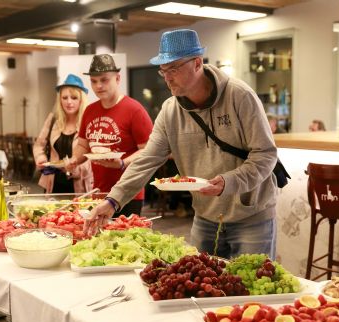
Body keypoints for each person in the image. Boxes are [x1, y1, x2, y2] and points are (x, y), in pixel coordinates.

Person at [85, 29, 278, 260]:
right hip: (205, 216)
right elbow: (147, 159)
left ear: (197, 63)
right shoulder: (170, 110)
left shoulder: (240, 96)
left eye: (173, 68)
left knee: (251, 288)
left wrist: (229, 181)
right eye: (163, 70)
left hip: (250, 216)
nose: (167, 77)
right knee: (201, 288)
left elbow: (265, 154)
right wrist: (112, 201)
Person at [66, 54, 153, 216]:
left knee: (124, 239)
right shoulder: (90, 110)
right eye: (94, 81)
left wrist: (122, 163)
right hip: (99, 191)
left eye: (104, 80)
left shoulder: (134, 110)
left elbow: (148, 151)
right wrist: (74, 160)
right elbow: (83, 145)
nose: (98, 86)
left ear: (117, 79)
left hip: (128, 193)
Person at [33, 74, 93, 193]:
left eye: (74, 98)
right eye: (64, 98)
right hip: (53, 184)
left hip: (79, 185)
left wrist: (75, 168)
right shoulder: (53, 119)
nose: (69, 102)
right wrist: (41, 158)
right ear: (60, 99)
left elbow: (92, 156)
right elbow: (39, 145)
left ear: (81, 99)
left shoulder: (89, 121)